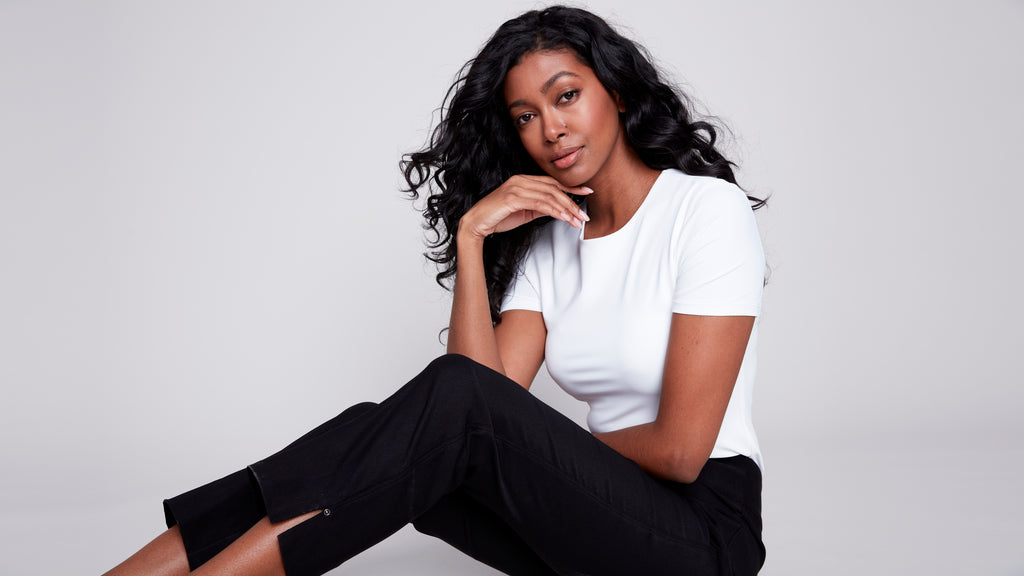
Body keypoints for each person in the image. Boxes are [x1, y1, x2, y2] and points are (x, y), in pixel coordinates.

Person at [105, 5, 767, 576]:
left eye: (567, 96)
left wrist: (543, 458)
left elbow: (681, 452)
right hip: (601, 523)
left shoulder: (705, 211)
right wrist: (472, 237)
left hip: (701, 536)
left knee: (425, 429)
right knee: (376, 431)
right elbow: (483, 393)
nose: (551, 129)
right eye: (526, 115)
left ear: (616, 92)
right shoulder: (553, 241)